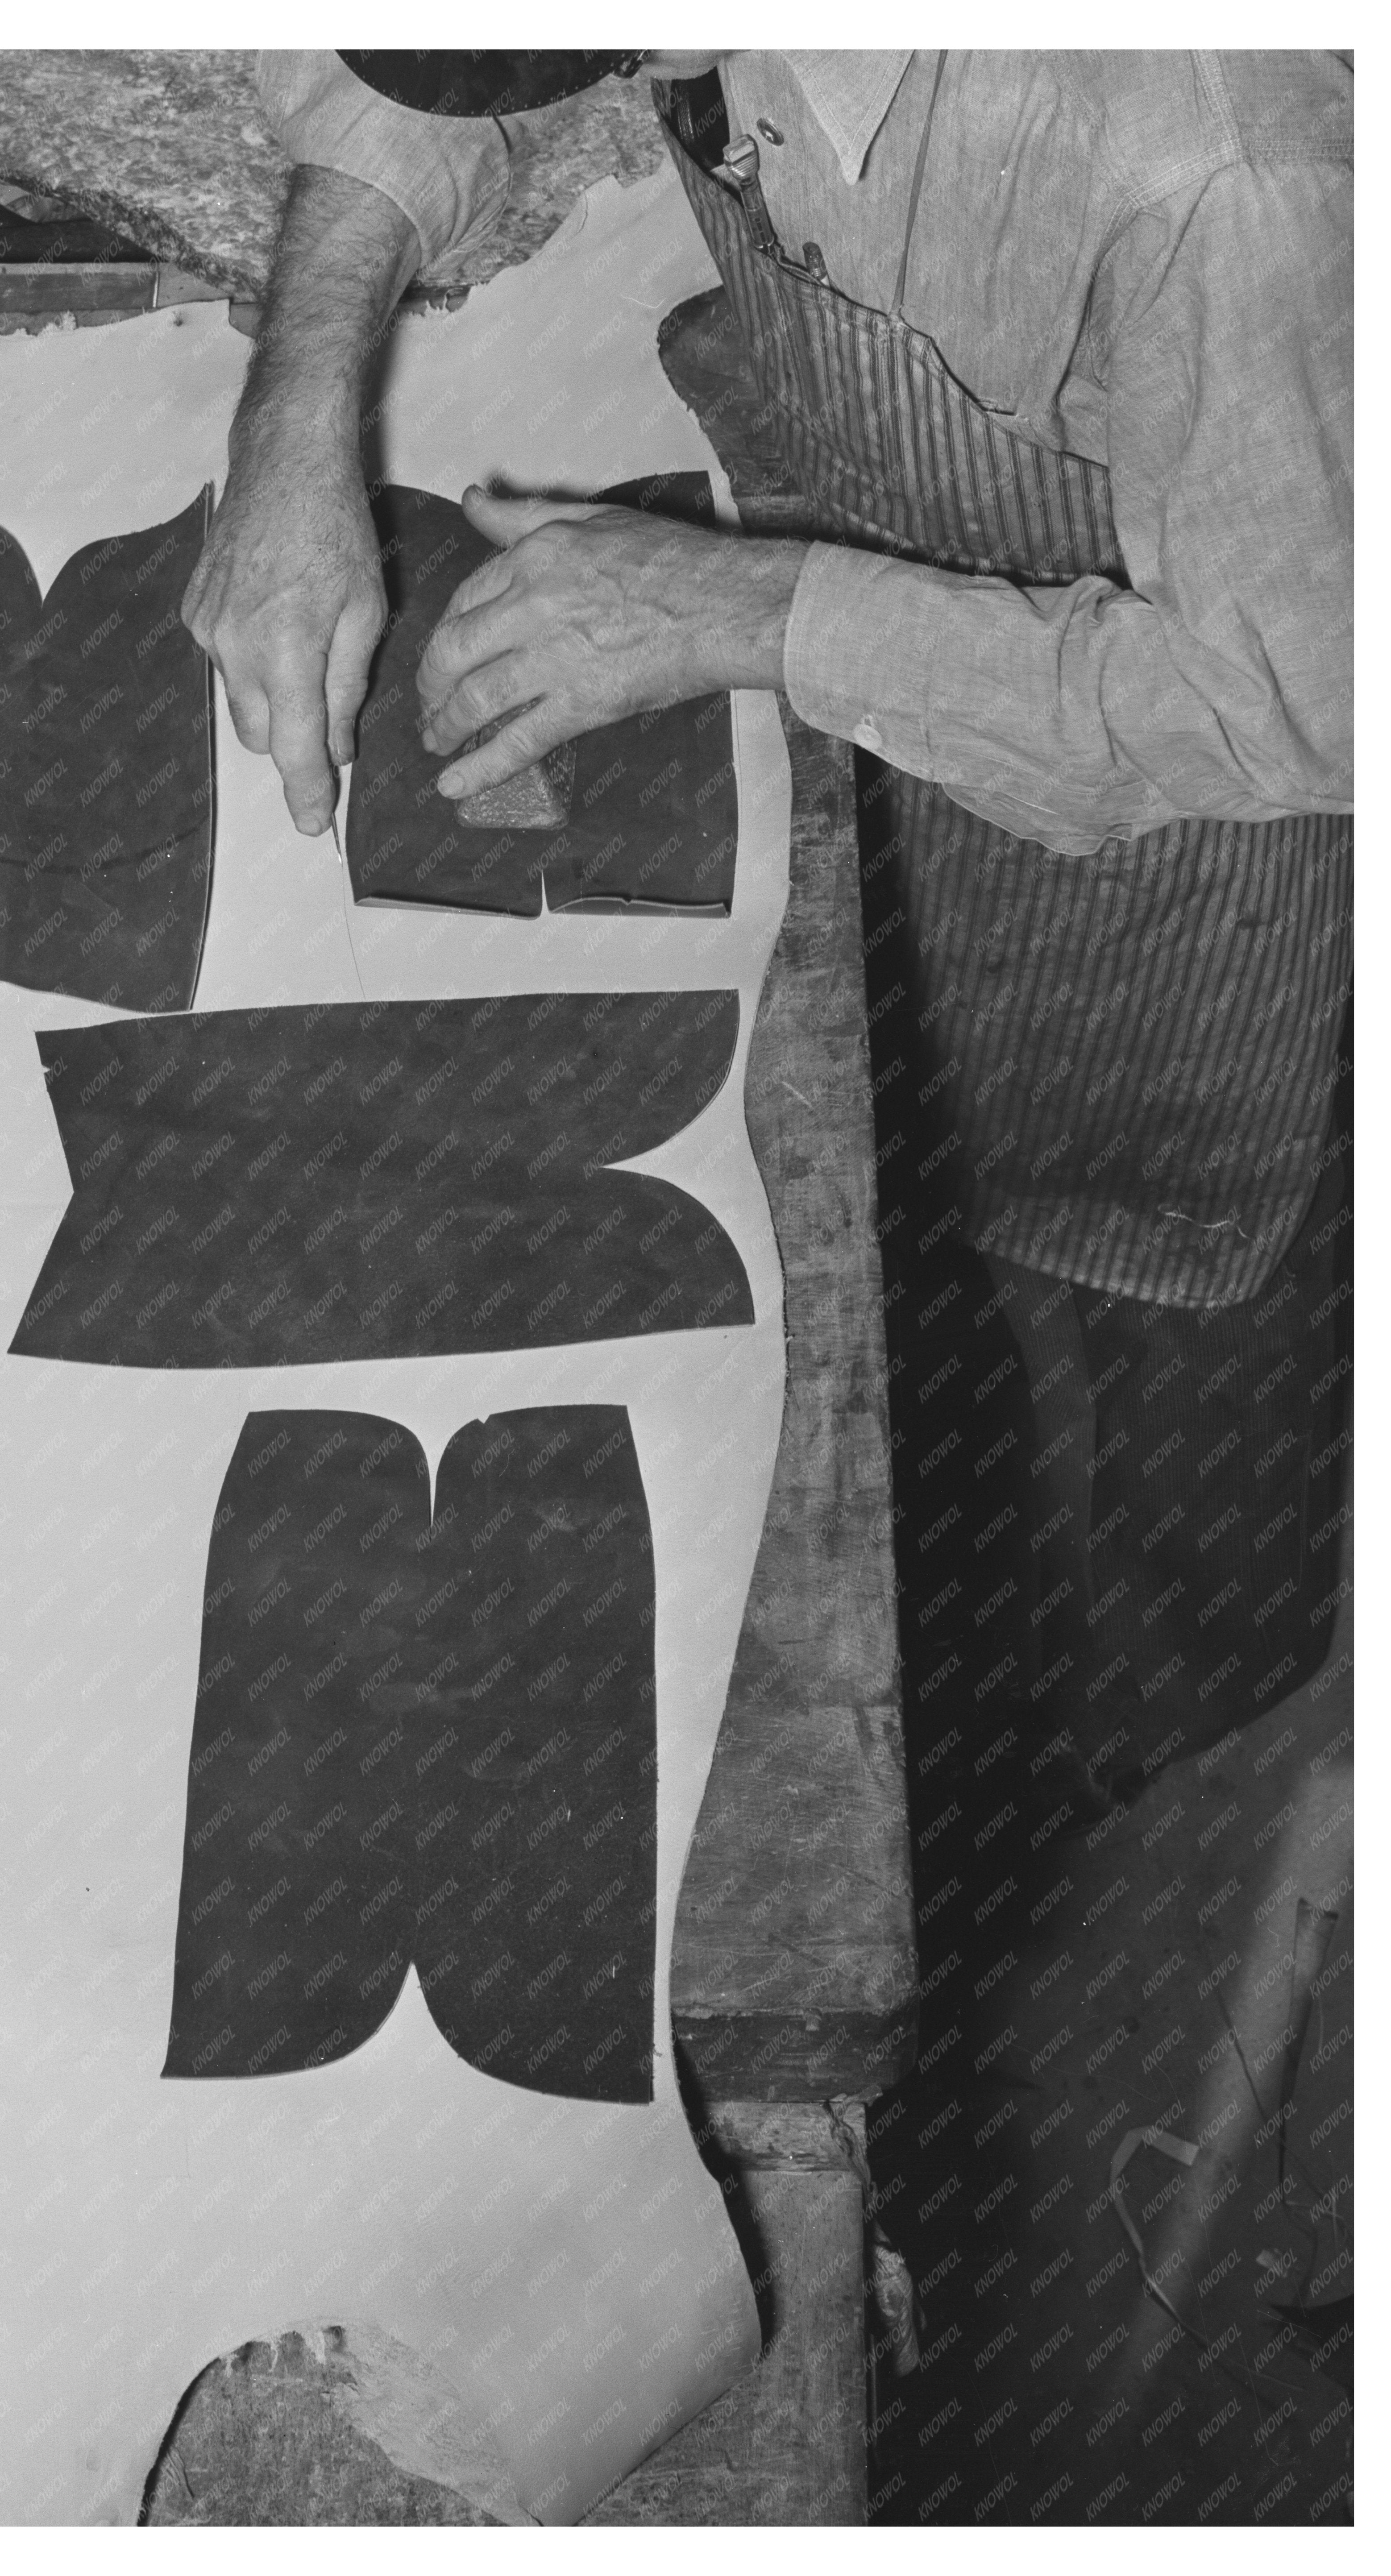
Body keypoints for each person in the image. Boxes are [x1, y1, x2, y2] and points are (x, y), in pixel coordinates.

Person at [183, 50, 1353, 1812]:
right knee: (925, 1233)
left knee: (1138, 1292)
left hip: (1188, 799)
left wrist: (739, 610)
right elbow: (446, 64)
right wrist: (292, 414)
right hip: (902, 614)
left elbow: (1301, 704)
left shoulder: (1229, 166)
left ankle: (1161, 1792)